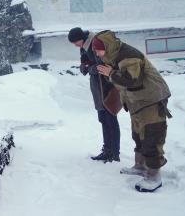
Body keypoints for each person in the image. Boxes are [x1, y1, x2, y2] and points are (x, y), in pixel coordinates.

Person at [93, 30, 172, 193]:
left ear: (107, 47)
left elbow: (133, 81)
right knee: (138, 136)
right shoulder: (115, 55)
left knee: (151, 137)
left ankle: (153, 177)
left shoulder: (128, 56)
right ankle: (140, 166)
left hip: (151, 100)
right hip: (137, 102)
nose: (96, 53)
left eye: (98, 49)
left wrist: (111, 73)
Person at [68, 27, 121, 163]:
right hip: (97, 87)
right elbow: (85, 63)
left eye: (76, 42)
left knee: (110, 119)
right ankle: (107, 150)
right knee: (103, 118)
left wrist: (90, 68)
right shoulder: (84, 46)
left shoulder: (96, 43)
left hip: (107, 86)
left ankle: (114, 153)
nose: (75, 45)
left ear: (82, 38)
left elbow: (101, 66)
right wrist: (85, 67)